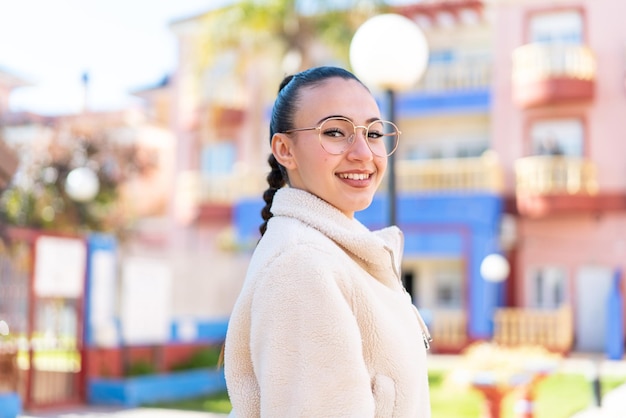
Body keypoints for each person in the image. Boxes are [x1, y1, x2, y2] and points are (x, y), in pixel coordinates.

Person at [224, 66, 432, 417]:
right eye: (336, 132)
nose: (364, 153)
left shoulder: (341, 254)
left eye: (375, 133)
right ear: (285, 150)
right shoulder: (303, 265)